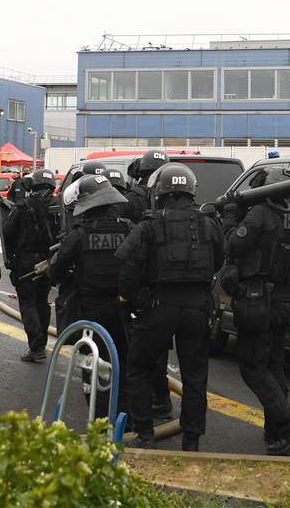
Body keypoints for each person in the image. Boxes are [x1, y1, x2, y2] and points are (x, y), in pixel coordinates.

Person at [117, 162, 223, 451]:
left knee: (139, 367)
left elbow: (128, 265)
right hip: (197, 307)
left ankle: (145, 433)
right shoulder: (209, 224)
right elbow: (219, 260)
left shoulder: (149, 225)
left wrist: (127, 297)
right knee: (195, 376)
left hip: (158, 305)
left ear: (161, 193)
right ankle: (191, 440)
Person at [222, 166, 290, 455]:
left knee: (252, 366)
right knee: (273, 366)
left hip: (259, 300)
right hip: (286, 302)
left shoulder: (260, 214)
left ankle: (289, 423)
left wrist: (232, 215)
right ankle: (276, 433)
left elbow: (233, 245)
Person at [48, 174, 132, 418]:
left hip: (91, 313)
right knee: (123, 363)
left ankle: (99, 419)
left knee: (91, 364)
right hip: (123, 309)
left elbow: (55, 272)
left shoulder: (79, 235)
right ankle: (126, 418)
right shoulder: (128, 228)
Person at [122, 149, 176, 422]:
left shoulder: (133, 199)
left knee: (141, 348)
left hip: (142, 281)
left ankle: (147, 406)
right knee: (161, 344)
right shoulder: (172, 199)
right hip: (166, 281)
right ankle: (162, 398)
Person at [2, 167, 58, 362]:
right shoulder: (59, 207)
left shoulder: (24, 206)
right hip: (49, 259)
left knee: (28, 303)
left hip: (26, 260)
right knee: (42, 301)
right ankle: (41, 344)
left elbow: (8, 232)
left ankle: (36, 347)